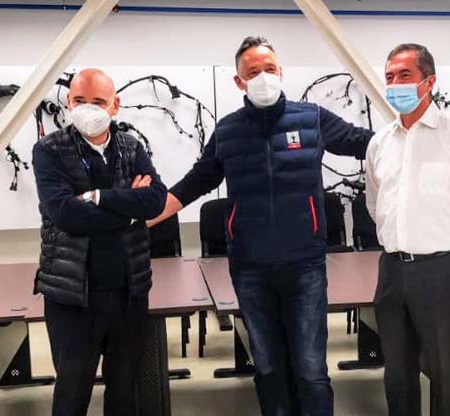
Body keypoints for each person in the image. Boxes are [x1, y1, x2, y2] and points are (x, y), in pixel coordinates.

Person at [147, 36, 374, 416]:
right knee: (268, 367)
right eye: (253, 72)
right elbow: (195, 182)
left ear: (280, 72)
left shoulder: (312, 118)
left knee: (310, 368)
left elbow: (364, 143)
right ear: (239, 81)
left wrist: (415, 137)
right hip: (250, 269)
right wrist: (143, 216)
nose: (263, 77)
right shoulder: (228, 131)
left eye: (269, 69)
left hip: (305, 266)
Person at [365, 44, 450, 416]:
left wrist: (449, 243)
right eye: (390, 77)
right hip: (392, 271)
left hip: (442, 271)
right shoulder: (380, 143)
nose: (395, 84)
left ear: (429, 82)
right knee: (397, 372)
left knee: (447, 372)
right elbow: (376, 204)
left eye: (404, 75)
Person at [32, 68, 168, 415]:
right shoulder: (49, 150)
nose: (88, 109)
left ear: (115, 105)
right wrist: (129, 210)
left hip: (129, 290)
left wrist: (97, 197)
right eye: (79, 100)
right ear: (68, 102)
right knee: (72, 391)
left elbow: (155, 201)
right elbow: (67, 215)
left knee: (125, 389)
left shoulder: (131, 146)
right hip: (73, 295)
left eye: (97, 101)